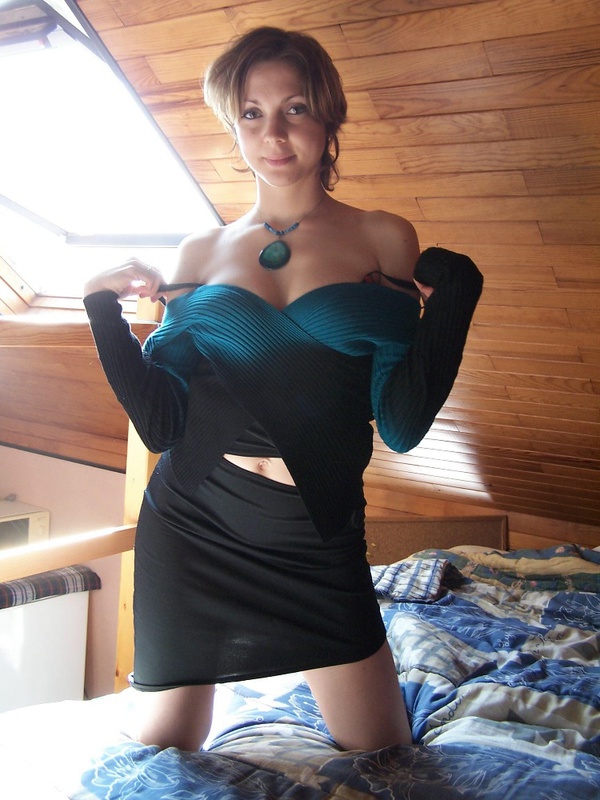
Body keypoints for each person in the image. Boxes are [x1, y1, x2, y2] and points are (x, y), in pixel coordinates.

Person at [83, 26, 483, 754]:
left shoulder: (382, 236)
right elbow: (162, 423)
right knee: (165, 751)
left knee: (386, 758)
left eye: (295, 108)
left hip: (313, 533)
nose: (273, 133)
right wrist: (100, 309)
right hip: (192, 523)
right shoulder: (199, 250)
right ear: (233, 124)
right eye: (252, 113)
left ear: (327, 117)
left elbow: (400, 424)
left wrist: (455, 301)